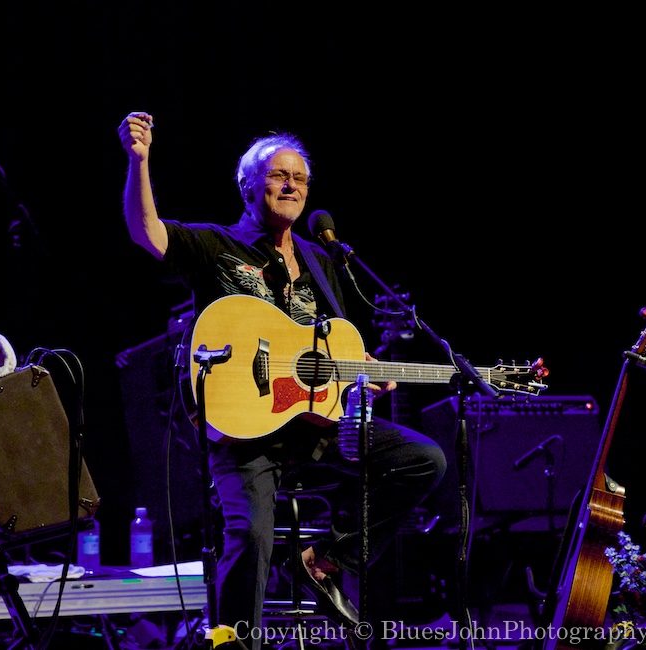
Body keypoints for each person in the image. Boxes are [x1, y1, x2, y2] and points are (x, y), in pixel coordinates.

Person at [118, 110, 447, 648]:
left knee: (424, 460)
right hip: (243, 430)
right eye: (278, 175)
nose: (291, 185)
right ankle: (234, 644)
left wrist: (360, 381)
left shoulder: (323, 260)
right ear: (249, 185)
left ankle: (325, 561)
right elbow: (146, 232)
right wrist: (139, 160)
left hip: (314, 428)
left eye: (299, 178)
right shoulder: (217, 245)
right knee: (250, 535)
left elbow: (333, 355)